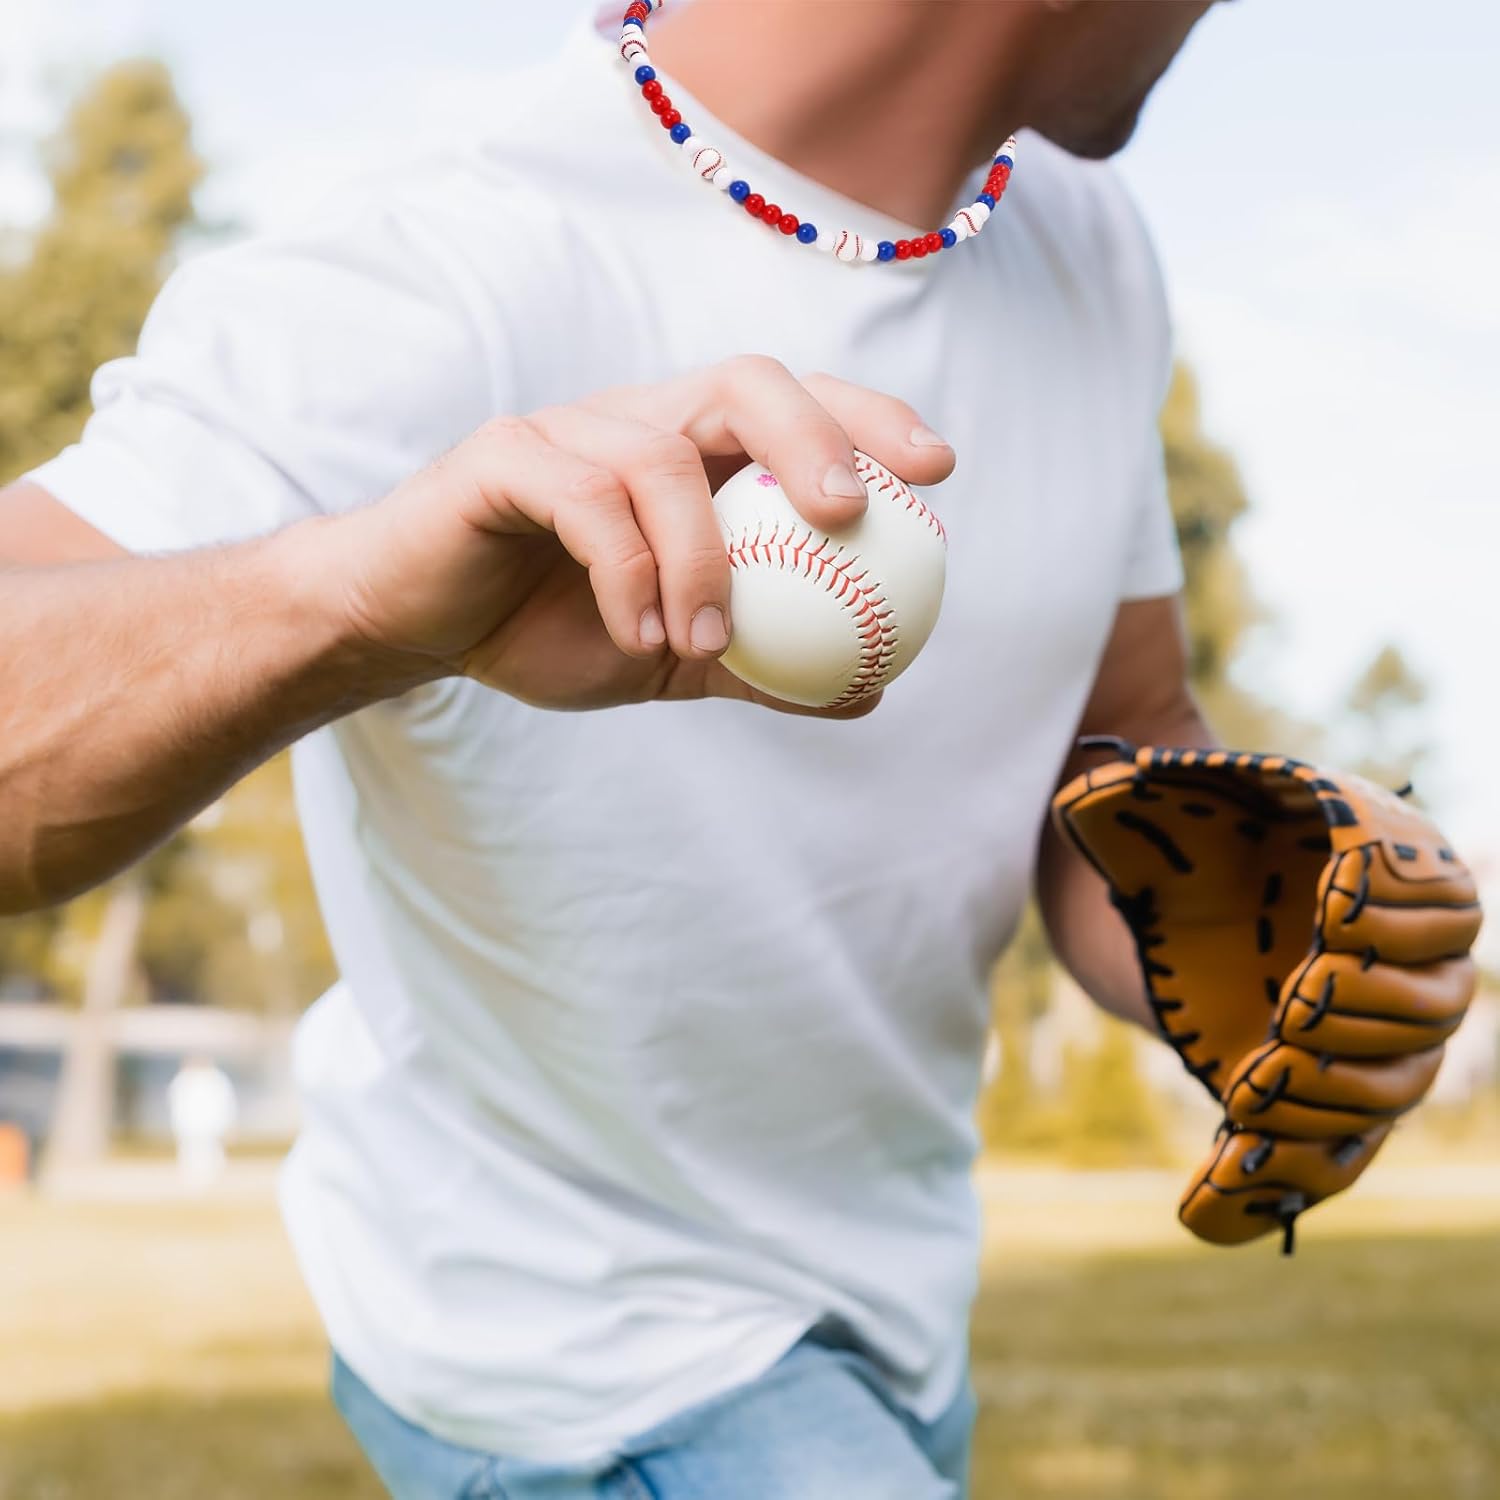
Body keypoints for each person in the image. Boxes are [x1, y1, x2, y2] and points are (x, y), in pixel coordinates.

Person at [0, 1, 1226, 1494]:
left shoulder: (1089, 249)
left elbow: (1127, 741)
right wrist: (365, 601)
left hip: (895, 1316)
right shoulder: (438, 265)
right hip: (574, 1346)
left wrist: (1253, 930)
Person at [166, 1053, 238, 1187]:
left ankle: (212, 1180)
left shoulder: (215, 1079)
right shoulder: (184, 1080)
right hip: (192, 1124)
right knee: (191, 1153)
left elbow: (225, 1102)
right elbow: (177, 1104)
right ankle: (193, 1180)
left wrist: (226, 1123)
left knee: (211, 1153)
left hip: (208, 1123)